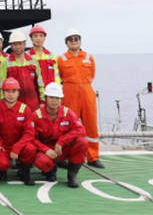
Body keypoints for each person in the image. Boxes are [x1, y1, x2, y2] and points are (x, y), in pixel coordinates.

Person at [57, 29, 103, 168]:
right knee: (68, 126)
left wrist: (83, 86)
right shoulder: (61, 59)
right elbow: (59, 77)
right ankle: (68, 156)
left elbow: (92, 75)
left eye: (76, 39)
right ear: (66, 42)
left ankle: (93, 157)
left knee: (91, 126)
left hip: (87, 93)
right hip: (69, 94)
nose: (74, 41)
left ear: (80, 41)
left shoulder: (89, 57)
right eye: (70, 39)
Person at [29, 82, 88, 188]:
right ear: (46, 98)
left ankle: (72, 174)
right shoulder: (36, 115)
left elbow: (81, 130)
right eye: (51, 97)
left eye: (57, 98)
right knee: (41, 161)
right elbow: (30, 137)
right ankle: (51, 169)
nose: (54, 101)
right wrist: (45, 149)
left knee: (82, 142)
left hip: (63, 148)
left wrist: (62, 141)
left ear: (61, 99)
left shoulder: (67, 113)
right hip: (47, 150)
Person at [0, 78, 36, 185]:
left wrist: (17, 147)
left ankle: (24, 172)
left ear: (18, 93)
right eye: (7, 91)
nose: (10, 94)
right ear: (3, 92)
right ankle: (1, 171)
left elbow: (29, 133)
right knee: (2, 164)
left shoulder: (25, 109)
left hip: (20, 145)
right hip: (3, 146)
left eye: (13, 91)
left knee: (31, 149)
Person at [0, 30, 44, 112]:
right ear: (11, 45)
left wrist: (42, 101)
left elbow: (39, 83)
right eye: (15, 44)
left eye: (20, 43)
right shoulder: (5, 62)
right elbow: (2, 85)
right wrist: (3, 102)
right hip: (14, 103)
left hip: (33, 101)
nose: (18, 47)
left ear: (24, 44)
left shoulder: (33, 61)